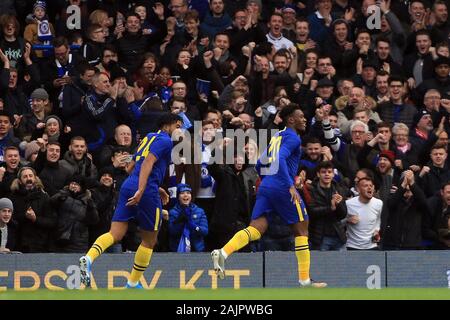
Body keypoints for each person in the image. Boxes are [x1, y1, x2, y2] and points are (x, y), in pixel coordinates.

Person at [210, 105, 327, 288]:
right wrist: (289, 185)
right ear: (291, 120)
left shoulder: (276, 137)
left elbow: (259, 163)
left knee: (256, 228)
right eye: (301, 116)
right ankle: (305, 280)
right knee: (302, 230)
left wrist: (267, 182)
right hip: (281, 186)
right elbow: (279, 158)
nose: (304, 119)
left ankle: (223, 253)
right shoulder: (294, 138)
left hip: (266, 186)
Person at [79, 113, 182, 288]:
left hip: (129, 184)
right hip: (146, 190)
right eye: (178, 126)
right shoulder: (165, 141)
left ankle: (88, 258)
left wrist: (151, 186)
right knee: (149, 240)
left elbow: (131, 167)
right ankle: (133, 283)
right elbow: (149, 163)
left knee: (115, 234)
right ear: (168, 125)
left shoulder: (149, 137)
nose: (180, 130)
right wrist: (144, 189)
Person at [345, 176, 383, 250]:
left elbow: (378, 220)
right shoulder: (348, 204)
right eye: (366, 186)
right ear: (358, 190)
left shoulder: (379, 203)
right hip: (353, 247)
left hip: (372, 247)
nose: (369, 188)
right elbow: (338, 222)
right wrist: (348, 220)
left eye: (371, 186)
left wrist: (377, 231)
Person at [168, 183, 208, 252]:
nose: (185, 195)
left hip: (197, 249)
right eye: (182, 193)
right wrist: (180, 221)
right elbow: (172, 232)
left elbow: (205, 231)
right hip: (178, 250)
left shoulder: (199, 211)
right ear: (178, 196)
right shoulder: (173, 212)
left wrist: (193, 226)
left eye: (188, 193)